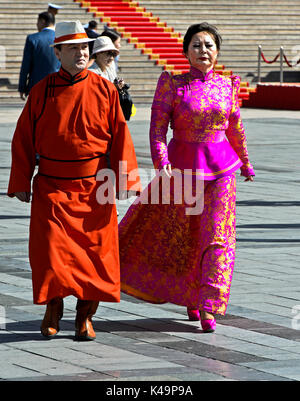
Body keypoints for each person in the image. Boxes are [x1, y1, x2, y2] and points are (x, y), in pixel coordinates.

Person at [7, 20, 141, 341]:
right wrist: (21, 180)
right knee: (51, 252)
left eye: (84, 47)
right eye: (73, 48)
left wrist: (124, 178)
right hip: (52, 187)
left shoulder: (105, 89)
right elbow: (23, 138)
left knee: (95, 255)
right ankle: (53, 307)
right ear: (58, 53)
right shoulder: (41, 91)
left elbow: (121, 135)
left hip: (95, 188)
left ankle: (85, 316)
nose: (81, 53)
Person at [118, 22, 255, 333]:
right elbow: (157, 129)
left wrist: (245, 162)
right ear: (185, 51)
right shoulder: (172, 84)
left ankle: (209, 305)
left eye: (208, 45)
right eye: (196, 45)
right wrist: (161, 161)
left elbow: (235, 128)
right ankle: (191, 296)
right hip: (181, 169)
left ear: (217, 51)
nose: (202, 50)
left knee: (217, 238)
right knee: (185, 237)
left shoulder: (228, 85)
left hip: (221, 172)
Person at [18, 12, 60, 100]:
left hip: (37, 86)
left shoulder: (33, 38)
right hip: (59, 85)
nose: (37, 24)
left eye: (38, 22)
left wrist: (22, 87)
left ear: (43, 21)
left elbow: (26, 65)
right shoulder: (61, 39)